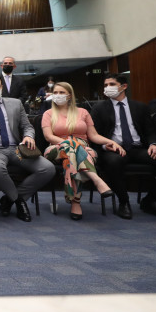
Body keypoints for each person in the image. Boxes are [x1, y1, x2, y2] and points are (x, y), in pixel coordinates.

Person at [90, 73, 156, 220]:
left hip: (138, 149)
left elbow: (150, 131)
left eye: (112, 84)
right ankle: (124, 202)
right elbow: (94, 135)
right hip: (112, 150)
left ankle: (151, 200)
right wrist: (107, 146)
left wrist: (154, 144)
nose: (107, 88)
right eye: (106, 85)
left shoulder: (140, 107)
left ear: (124, 86)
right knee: (114, 162)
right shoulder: (98, 108)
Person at [0, 73, 54, 222]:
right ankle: (18, 201)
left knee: (48, 168)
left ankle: (10, 199)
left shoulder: (16, 103)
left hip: (17, 148)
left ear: (2, 87)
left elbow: (27, 126)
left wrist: (28, 136)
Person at [41, 82, 118, 220]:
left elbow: (93, 135)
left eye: (61, 93)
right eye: (55, 93)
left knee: (72, 158)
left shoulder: (83, 112)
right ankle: (95, 179)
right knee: (71, 148)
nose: (58, 95)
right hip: (56, 147)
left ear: (69, 95)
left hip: (82, 148)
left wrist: (110, 141)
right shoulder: (48, 113)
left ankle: (74, 201)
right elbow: (49, 136)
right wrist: (70, 142)